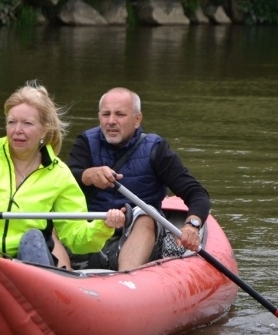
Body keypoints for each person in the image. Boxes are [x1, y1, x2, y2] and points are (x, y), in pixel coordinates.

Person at [0, 80, 126, 268]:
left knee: (33, 237)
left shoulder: (59, 174)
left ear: (44, 129)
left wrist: (104, 226)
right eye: (12, 122)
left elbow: (77, 238)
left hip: (30, 264)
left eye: (27, 123)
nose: (17, 130)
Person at [66, 87, 210, 271]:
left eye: (120, 114)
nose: (111, 121)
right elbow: (64, 181)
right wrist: (89, 175)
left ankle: (125, 279)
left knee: (146, 213)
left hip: (138, 234)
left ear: (137, 119)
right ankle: (59, 275)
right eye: (105, 114)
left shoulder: (156, 149)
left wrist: (192, 225)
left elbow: (197, 193)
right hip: (90, 235)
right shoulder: (85, 142)